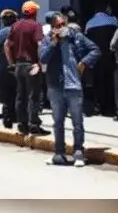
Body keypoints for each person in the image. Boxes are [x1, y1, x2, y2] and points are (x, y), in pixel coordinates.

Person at [39, 11, 100, 167]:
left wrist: (84, 62)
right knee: (58, 122)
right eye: (57, 26)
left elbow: (95, 50)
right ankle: (59, 153)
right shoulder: (47, 41)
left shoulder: (76, 37)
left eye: (62, 24)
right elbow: (43, 58)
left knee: (77, 122)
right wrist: (53, 43)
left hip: (73, 85)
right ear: (52, 28)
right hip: (55, 86)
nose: (61, 28)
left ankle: (78, 152)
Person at [4, 1, 49, 136]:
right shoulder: (36, 25)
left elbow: (7, 45)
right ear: (34, 12)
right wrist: (41, 63)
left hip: (18, 65)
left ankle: (22, 124)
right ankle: (34, 125)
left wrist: (11, 63)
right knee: (33, 96)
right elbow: (40, 44)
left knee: (21, 96)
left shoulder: (15, 25)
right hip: (31, 65)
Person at [85, 3, 118, 117]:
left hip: (96, 58)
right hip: (111, 56)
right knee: (111, 82)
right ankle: (110, 106)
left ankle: (98, 106)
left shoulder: (89, 23)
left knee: (98, 82)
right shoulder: (114, 21)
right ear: (106, 10)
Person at [0, 9, 19, 128]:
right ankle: (17, 117)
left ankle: (7, 118)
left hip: (2, 70)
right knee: (19, 93)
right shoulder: (18, 33)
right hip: (18, 68)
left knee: (6, 95)